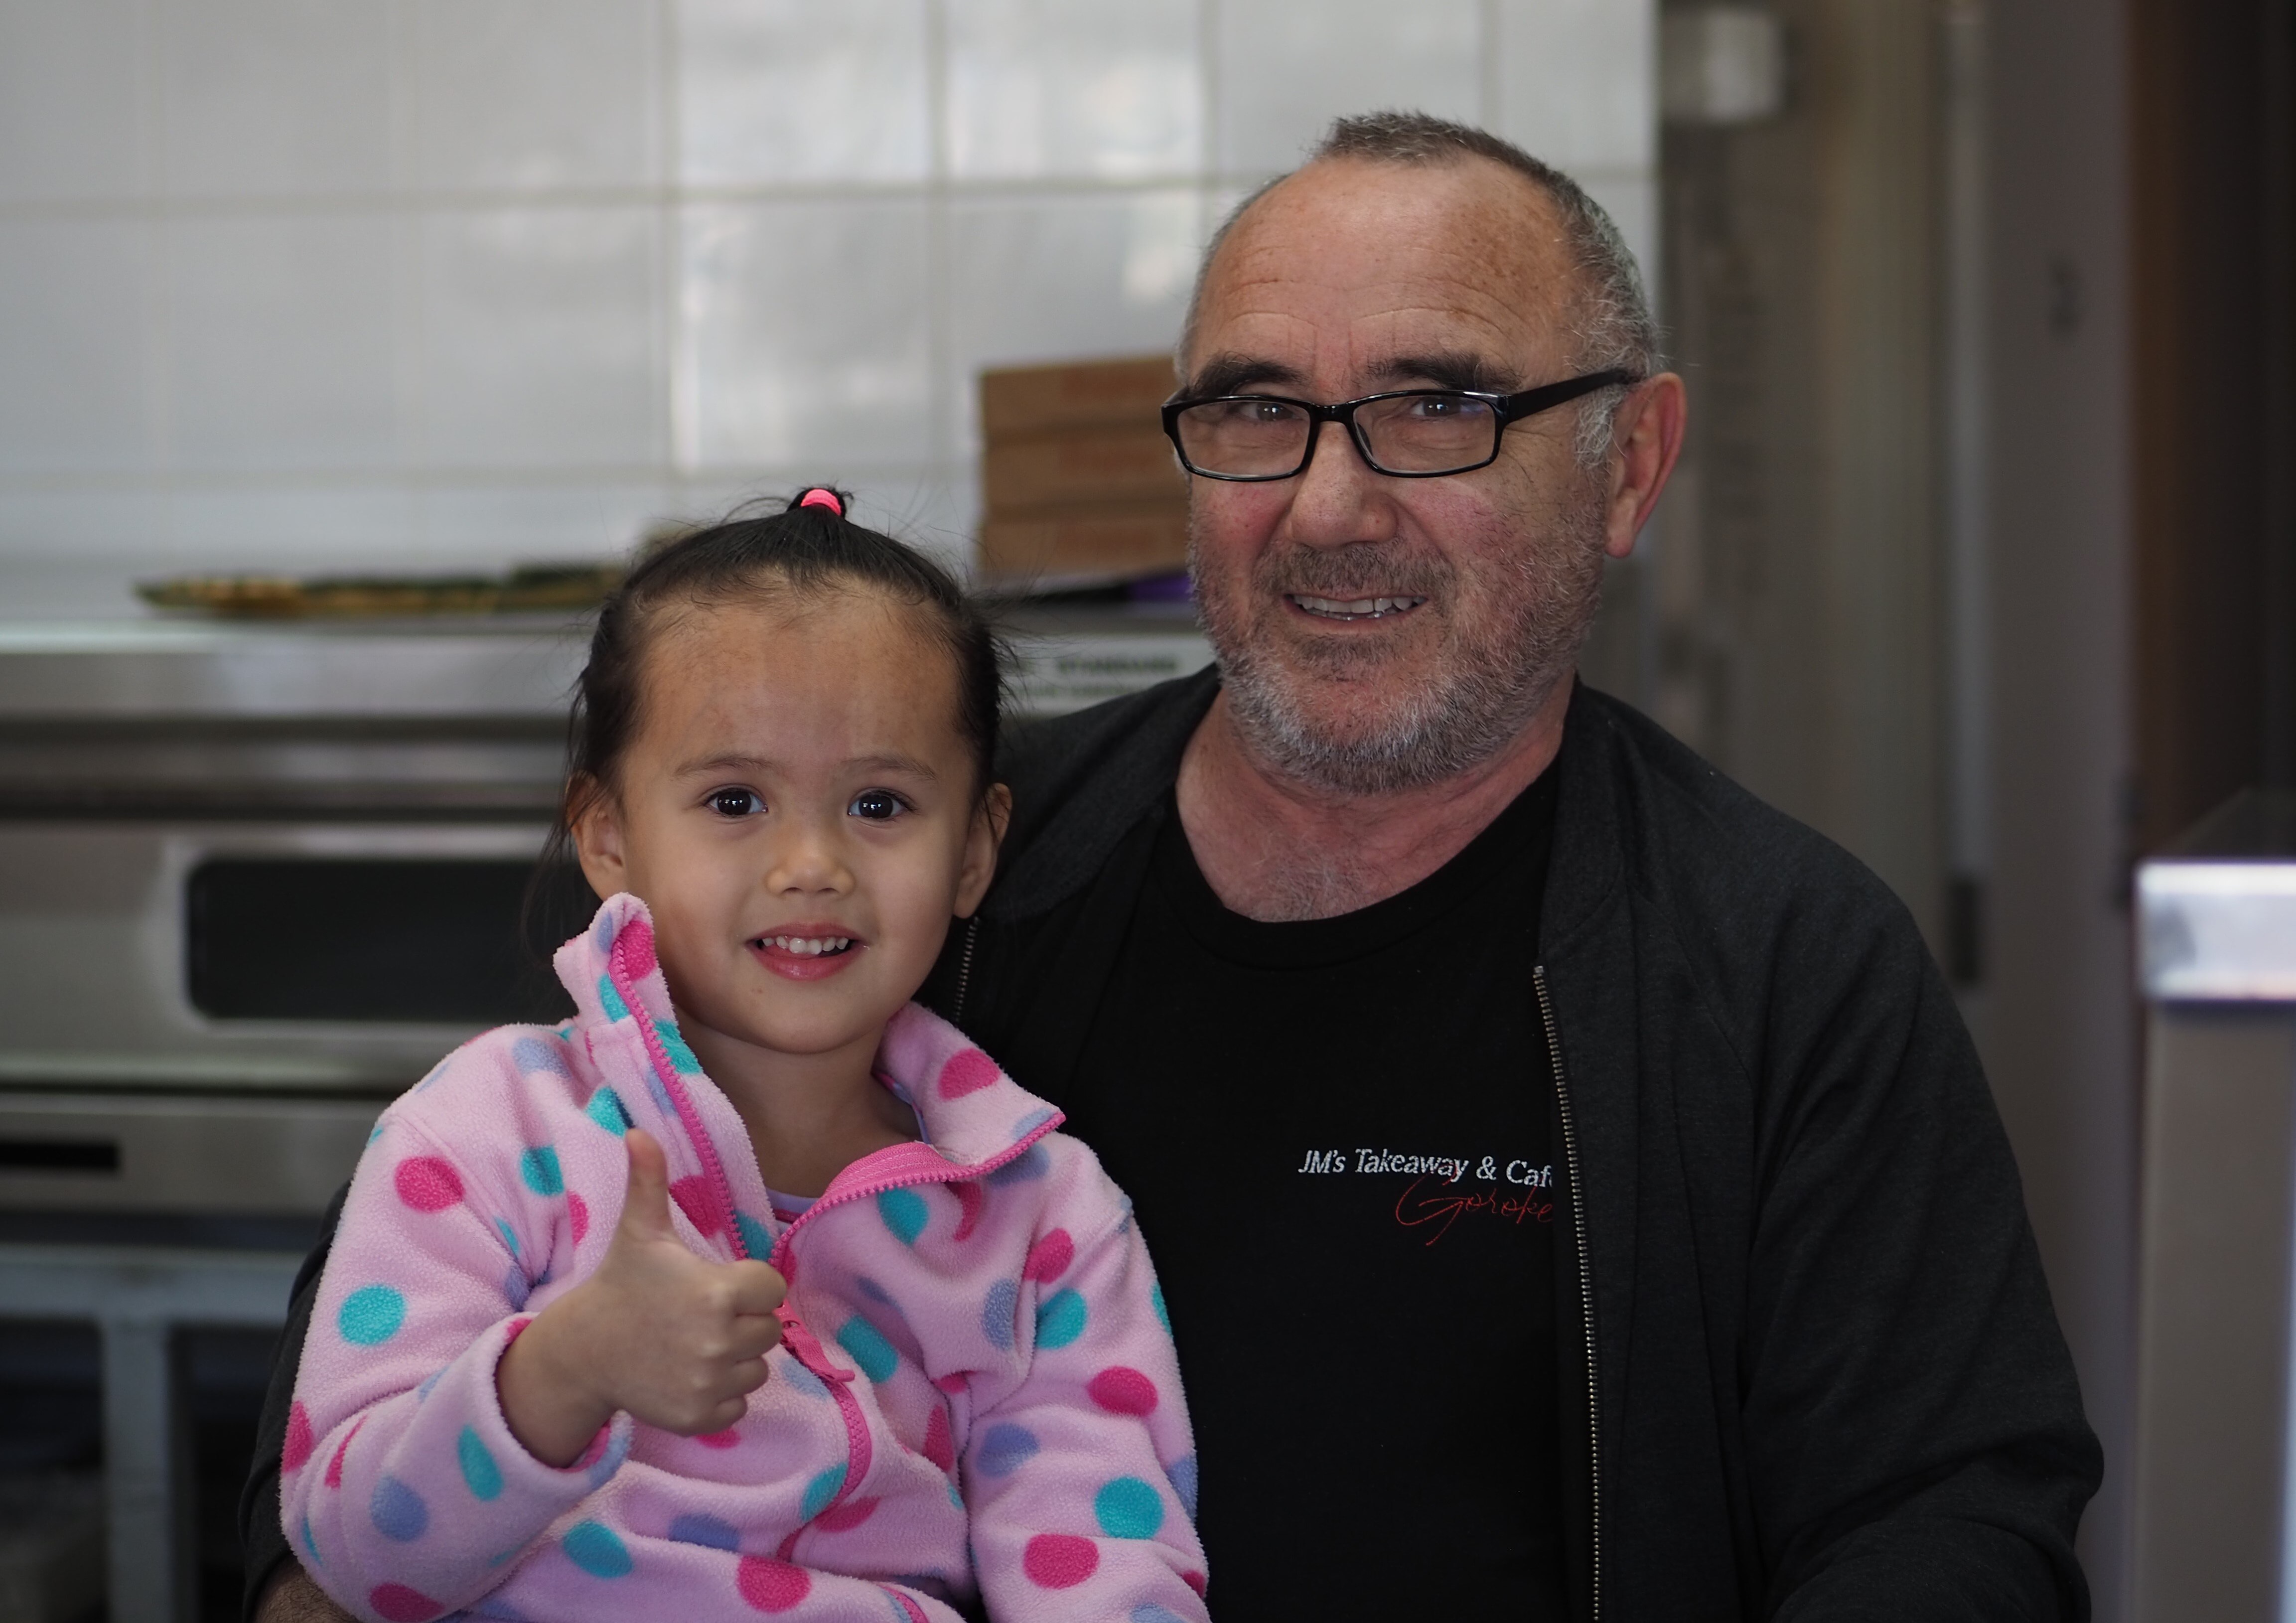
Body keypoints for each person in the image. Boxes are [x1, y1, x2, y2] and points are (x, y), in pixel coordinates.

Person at [249, 111, 2101, 1620]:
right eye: (1254, 411)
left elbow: (1950, 1522)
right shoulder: (919, 871)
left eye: (1435, 406)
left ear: (1629, 466)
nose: (1327, 504)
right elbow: (412, 1335)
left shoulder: (1777, 969)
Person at [269, 491, 1207, 1623]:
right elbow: (358, 1557)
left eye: (879, 803)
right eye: (734, 799)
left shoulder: (1044, 1213)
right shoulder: (480, 1134)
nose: (810, 864)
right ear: (609, 836)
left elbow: (1103, 1562)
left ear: (973, 851)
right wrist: (562, 1372)